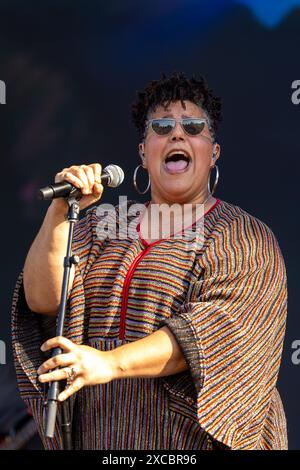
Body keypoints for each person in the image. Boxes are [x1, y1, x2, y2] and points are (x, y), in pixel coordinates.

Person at [12, 72, 288, 450]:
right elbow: (43, 299)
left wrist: (110, 363)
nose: (177, 135)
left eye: (193, 127)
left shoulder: (242, 236)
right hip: (103, 437)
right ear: (144, 151)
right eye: (162, 127)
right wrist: (60, 212)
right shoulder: (99, 226)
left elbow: (216, 333)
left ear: (213, 153)